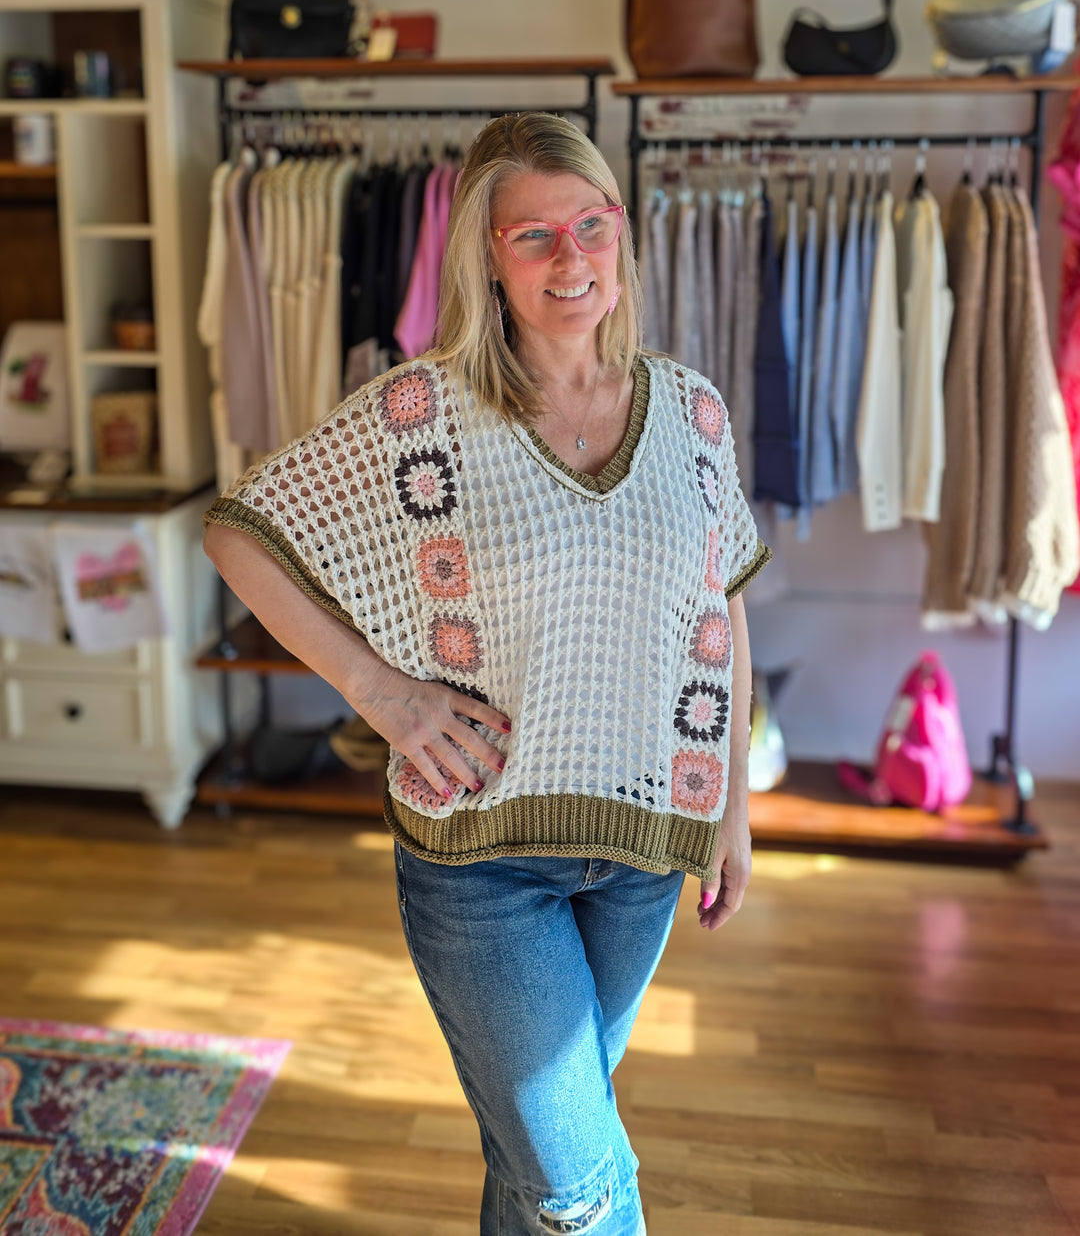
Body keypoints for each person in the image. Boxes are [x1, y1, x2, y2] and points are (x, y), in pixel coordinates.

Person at [203, 112, 770, 1236]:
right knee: (577, 1179)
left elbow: (726, 610)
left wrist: (735, 801)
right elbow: (241, 535)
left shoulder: (695, 411)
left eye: (592, 226)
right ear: (484, 259)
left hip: (644, 849)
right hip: (480, 864)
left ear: (621, 235)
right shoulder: (423, 417)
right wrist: (383, 695)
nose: (572, 260)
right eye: (534, 237)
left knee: (534, 1160)